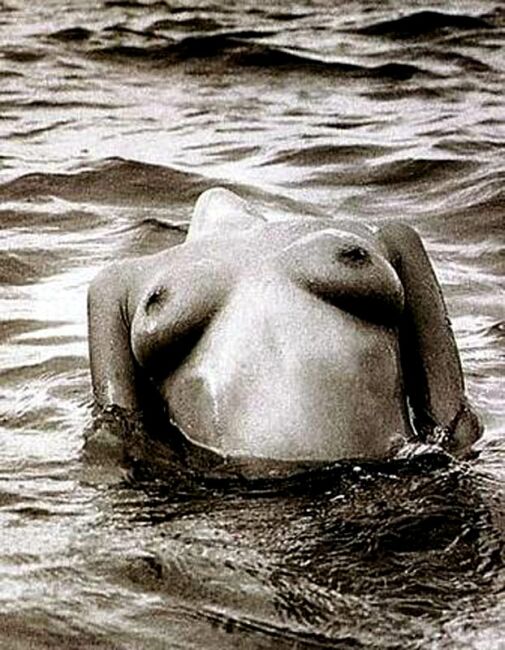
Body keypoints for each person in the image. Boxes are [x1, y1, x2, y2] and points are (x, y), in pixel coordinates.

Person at [87, 188, 482, 472]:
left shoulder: (394, 240)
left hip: (384, 482)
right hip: (239, 503)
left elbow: (115, 443)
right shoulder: (115, 289)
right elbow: (117, 438)